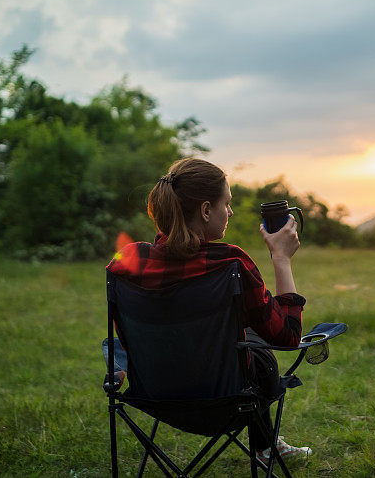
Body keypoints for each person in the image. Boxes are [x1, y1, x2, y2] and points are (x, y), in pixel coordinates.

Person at [106, 157, 312, 465]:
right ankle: (266, 447)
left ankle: (268, 445)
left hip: (154, 395)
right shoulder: (231, 263)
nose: (229, 212)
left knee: (242, 335)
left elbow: (129, 337)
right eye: (226, 204)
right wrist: (281, 259)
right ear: (205, 210)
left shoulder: (126, 262)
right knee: (259, 353)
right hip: (226, 401)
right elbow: (287, 337)